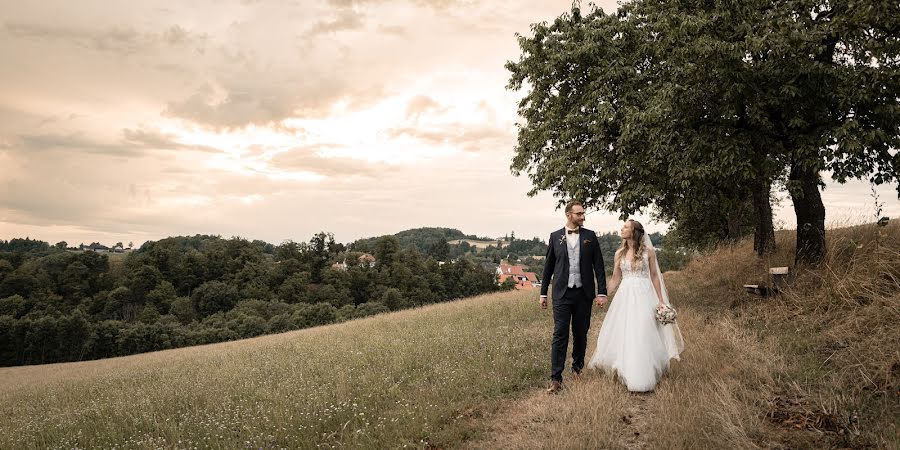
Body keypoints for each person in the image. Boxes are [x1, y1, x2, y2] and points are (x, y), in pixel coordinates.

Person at [587, 219, 685, 392]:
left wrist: (661, 301)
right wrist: (604, 295)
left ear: (634, 232)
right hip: (625, 296)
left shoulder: (649, 252)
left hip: (644, 295)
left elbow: (654, 276)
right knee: (625, 331)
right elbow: (616, 278)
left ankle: (645, 371)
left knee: (643, 331)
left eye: (626, 227)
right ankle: (625, 368)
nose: (622, 229)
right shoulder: (619, 253)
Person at [539, 200, 608, 394]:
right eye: (579, 214)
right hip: (561, 293)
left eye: (583, 213)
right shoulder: (555, 237)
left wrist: (601, 292)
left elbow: (599, 267)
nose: (583, 216)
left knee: (581, 333)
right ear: (569, 215)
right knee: (560, 334)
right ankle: (556, 379)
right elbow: (548, 268)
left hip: (584, 293)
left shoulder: (590, 237)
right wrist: (543, 293)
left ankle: (577, 370)